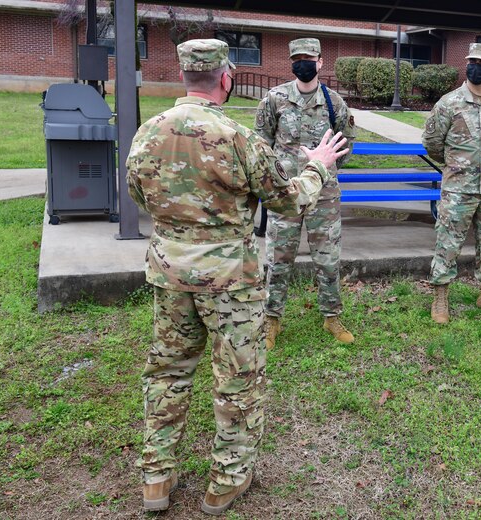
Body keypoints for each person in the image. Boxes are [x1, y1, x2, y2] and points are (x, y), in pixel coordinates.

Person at [126, 39, 348, 515]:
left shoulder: (148, 131)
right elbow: (287, 200)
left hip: (170, 275)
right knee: (238, 378)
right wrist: (318, 167)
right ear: (226, 78)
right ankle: (226, 480)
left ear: (186, 76)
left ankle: (156, 479)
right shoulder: (237, 136)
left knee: (167, 373)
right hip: (230, 282)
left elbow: (139, 196)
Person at [254, 38, 356, 349]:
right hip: (285, 194)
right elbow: (260, 144)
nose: (303, 62)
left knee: (327, 259)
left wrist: (324, 163)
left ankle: (331, 316)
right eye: (297, 58)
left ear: (320, 62)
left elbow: (346, 145)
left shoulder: (334, 102)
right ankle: (272, 319)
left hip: (323, 194)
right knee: (278, 258)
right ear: (291, 62)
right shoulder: (275, 98)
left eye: (309, 57)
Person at [422, 42, 481, 324]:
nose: (475, 67)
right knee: (447, 243)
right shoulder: (448, 103)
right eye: (471, 62)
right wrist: (456, 165)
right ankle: (440, 297)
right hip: (458, 189)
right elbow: (432, 143)